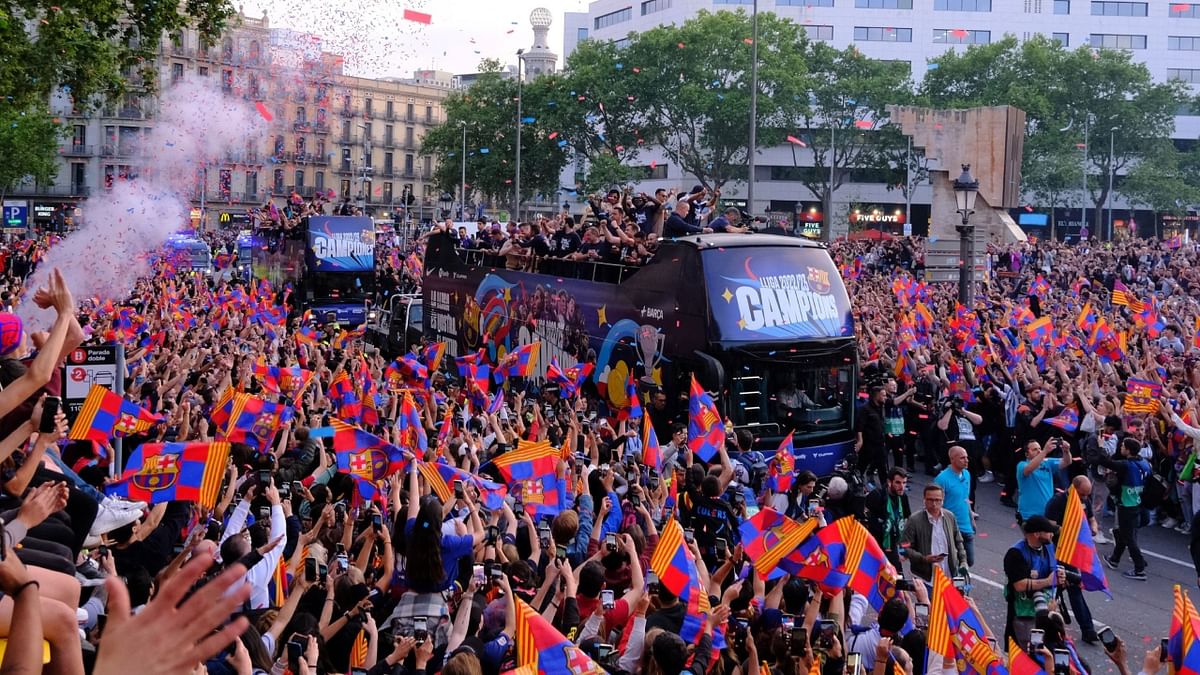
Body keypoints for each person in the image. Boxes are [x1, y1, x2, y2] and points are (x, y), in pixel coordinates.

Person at [1044, 475, 1100, 644]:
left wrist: (1093, 529)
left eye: (1087, 495)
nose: (1085, 498)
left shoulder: (1084, 502)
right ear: (1073, 488)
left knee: (1075, 588)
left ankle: (1088, 629)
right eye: (1082, 494)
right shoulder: (1058, 501)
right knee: (1052, 589)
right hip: (1057, 550)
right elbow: (1050, 525)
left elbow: (1091, 518)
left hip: (1073, 553)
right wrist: (1070, 531)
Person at [1003, 515, 1065, 649]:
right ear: (1037, 534)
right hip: (1022, 613)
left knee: (1046, 650)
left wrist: (1060, 577)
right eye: (1048, 531)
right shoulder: (1015, 553)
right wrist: (1048, 581)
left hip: (1047, 610)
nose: (1052, 534)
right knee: (1022, 650)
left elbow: (1052, 571)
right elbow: (1019, 585)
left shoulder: (1049, 547)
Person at [1099, 437, 1152, 580]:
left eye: (1122, 446)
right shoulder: (1145, 463)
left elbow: (1105, 462)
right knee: (1122, 532)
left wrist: (1101, 447)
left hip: (1126, 505)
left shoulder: (1126, 465)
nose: (1120, 447)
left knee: (1128, 537)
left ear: (1128, 450)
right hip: (1138, 502)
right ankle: (1114, 559)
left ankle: (1139, 568)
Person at [901, 484, 967, 584]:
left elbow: (959, 541)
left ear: (943, 500)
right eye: (930, 500)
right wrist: (923, 558)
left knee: (956, 598)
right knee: (928, 600)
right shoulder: (914, 520)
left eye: (938, 500)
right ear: (924, 500)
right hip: (926, 578)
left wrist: (963, 561)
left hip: (950, 576)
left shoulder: (950, 517)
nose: (934, 503)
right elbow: (903, 547)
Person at [935, 445, 977, 566]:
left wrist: (972, 519)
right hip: (950, 526)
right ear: (952, 459)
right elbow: (936, 504)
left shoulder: (967, 474)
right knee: (953, 562)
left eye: (966, 457)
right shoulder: (942, 479)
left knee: (969, 561)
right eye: (962, 458)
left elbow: (965, 498)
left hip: (966, 526)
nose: (966, 460)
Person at [1017, 438, 1073, 524]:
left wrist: (1066, 451)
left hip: (1046, 514)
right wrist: (1044, 451)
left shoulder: (1047, 463)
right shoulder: (1022, 465)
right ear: (1027, 454)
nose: (1039, 451)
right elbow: (1028, 470)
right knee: (1036, 537)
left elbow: (1067, 461)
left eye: (1040, 448)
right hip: (1029, 515)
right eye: (1034, 449)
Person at [864, 467, 911, 568]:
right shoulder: (876, 496)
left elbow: (905, 523)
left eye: (904, 483)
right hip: (874, 546)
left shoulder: (903, 497)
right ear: (889, 482)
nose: (902, 487)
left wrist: (903, 549)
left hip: (891, 545)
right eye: (898, 483)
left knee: (897, 578)